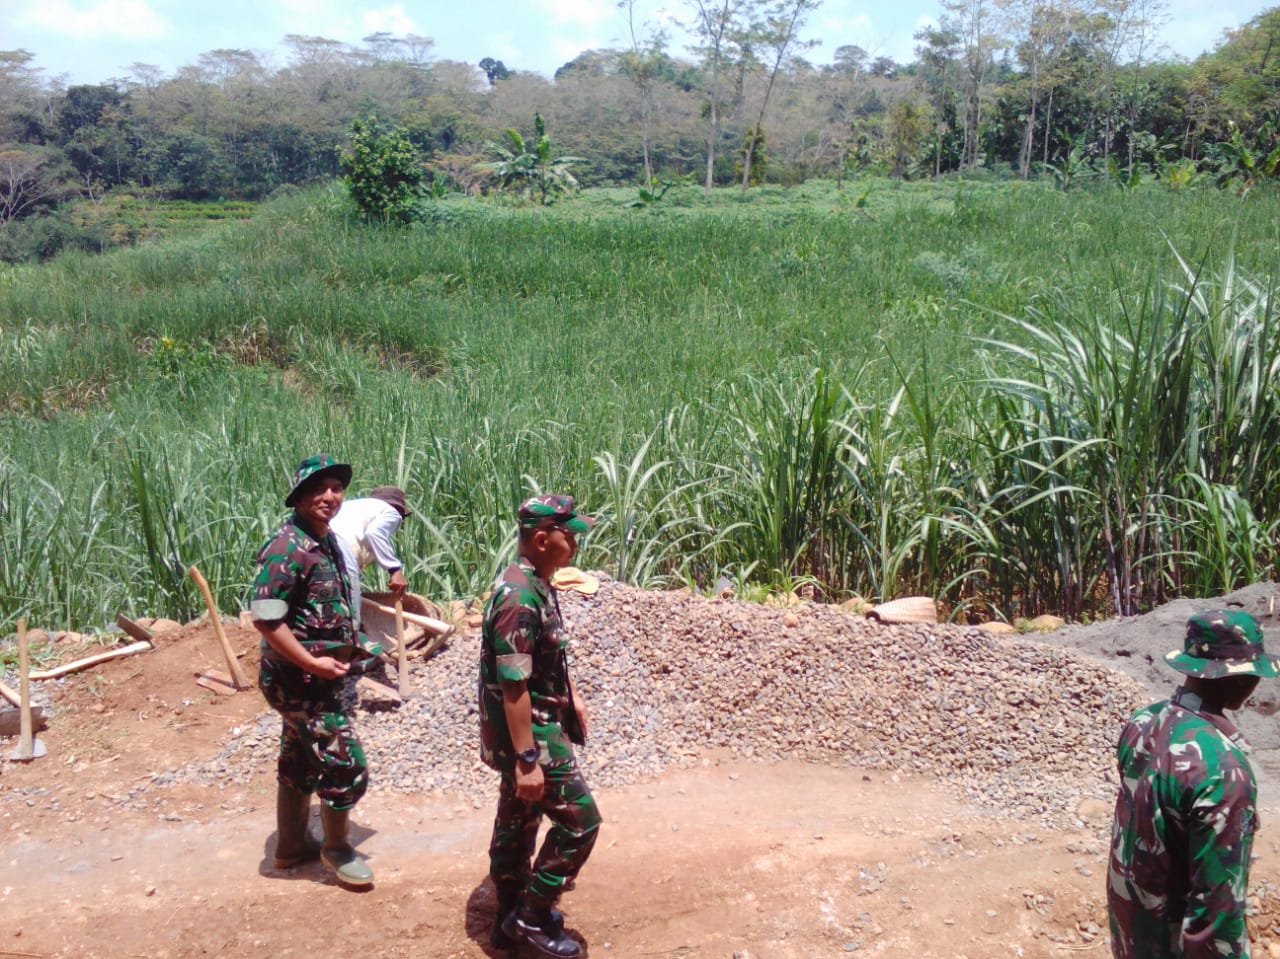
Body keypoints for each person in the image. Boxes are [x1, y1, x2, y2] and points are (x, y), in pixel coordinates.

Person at [1107, 609, 1279, 959]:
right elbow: (1216, 914)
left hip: (1131, 936)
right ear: (1240, 678)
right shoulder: (1223, 770)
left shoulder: (1143, 722)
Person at [250, 454, 383, 888]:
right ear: (300, 497)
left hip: (321, 675)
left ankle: (290, 846)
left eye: (336, 489)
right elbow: (267, 620)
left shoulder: (324, 540)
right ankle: (337, 849)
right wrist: (310, 662)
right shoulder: (288, 548)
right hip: (301, 680)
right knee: (345, 764)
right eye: (318, 490)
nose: (329, 497)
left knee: (299, 755)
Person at [478, 495, 601, 959]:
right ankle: (530, 915)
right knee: (579, 823)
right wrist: (528, 759)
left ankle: (508, 926)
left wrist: (573, 696)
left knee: (518, 821)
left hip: (536, 723)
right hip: (531, 731)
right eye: (566, 532)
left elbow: (540, 658)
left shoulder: (536, 582)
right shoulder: (519, 596)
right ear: (540, 538)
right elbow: (513, 685)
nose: (573, 539)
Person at [329, 486, 412, 628]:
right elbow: (374, 534)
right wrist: (395, 570)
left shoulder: (353, 507)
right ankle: (351, 641)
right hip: (343, 549)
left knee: (327, 602)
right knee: (351, 617)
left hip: (320, 547)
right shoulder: (392, 512)